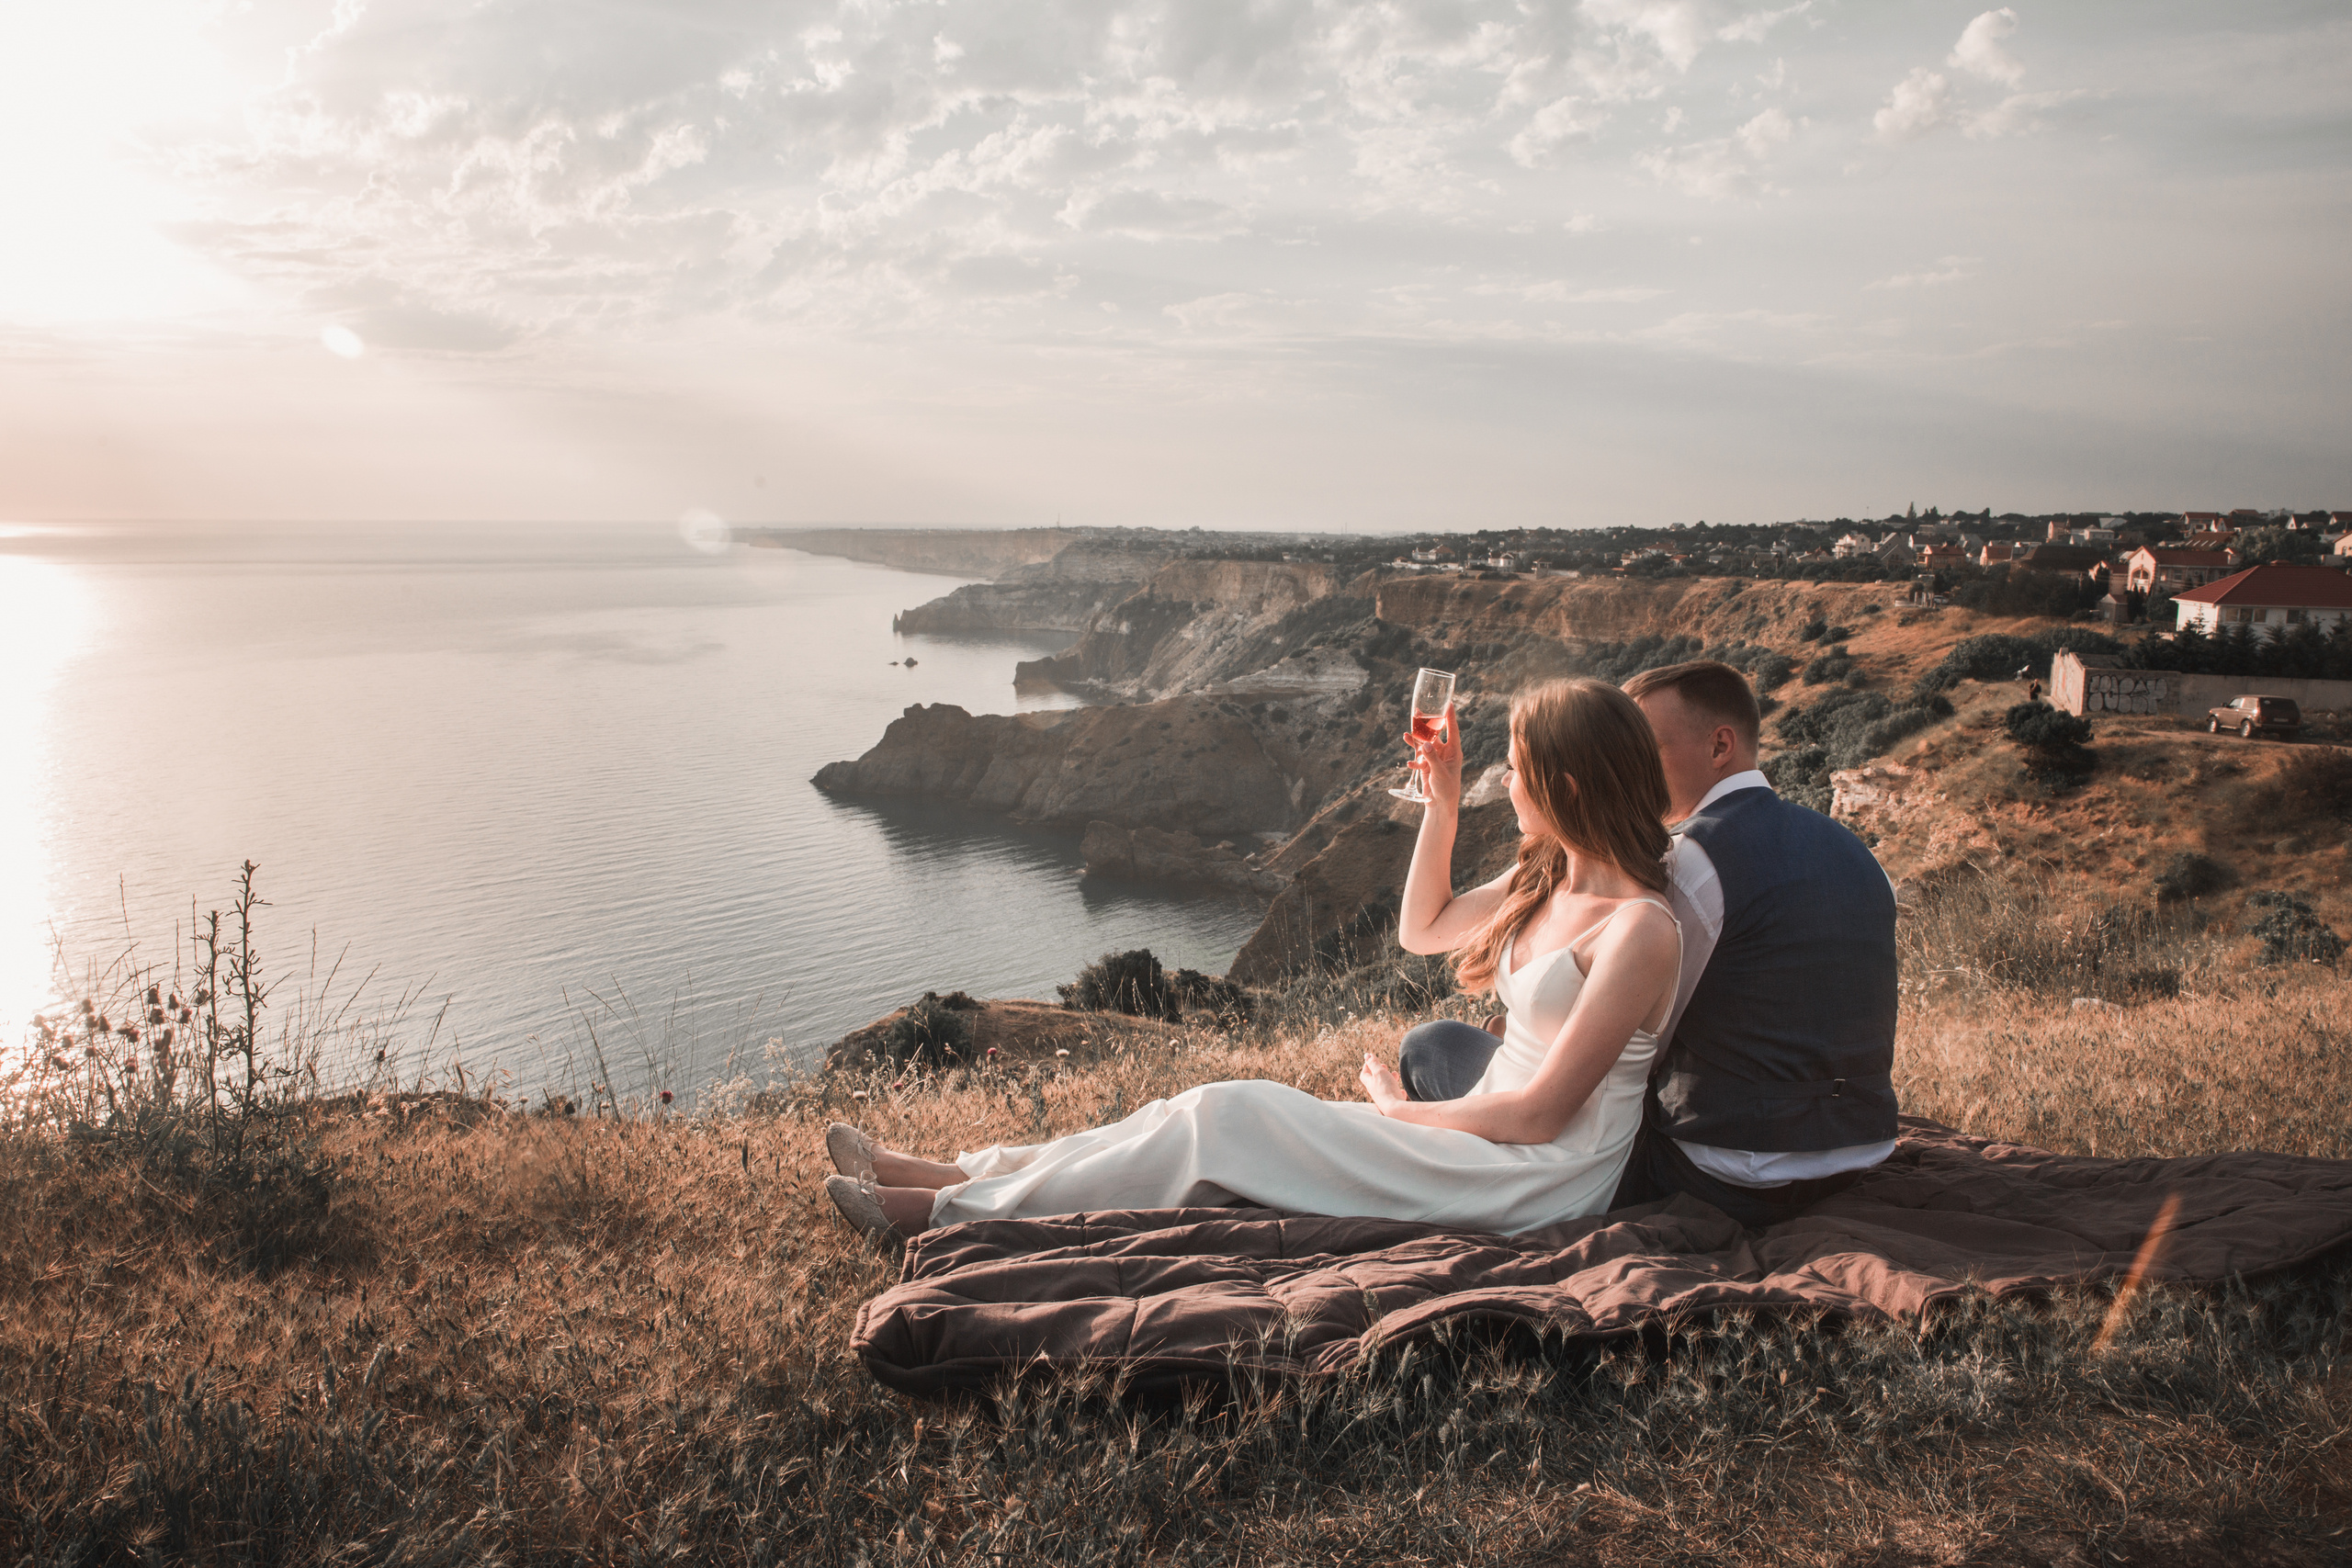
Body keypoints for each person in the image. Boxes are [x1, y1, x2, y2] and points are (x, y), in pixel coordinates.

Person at [821, 678, 1684, 1247]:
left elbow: (1539, 1119)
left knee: (1227, 1117)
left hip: (1536, 1183)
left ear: (1568, 787)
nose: (1509, 783)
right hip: (1478, 1142)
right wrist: (1445, 801)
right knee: (1195, 1106)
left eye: (1518, 770)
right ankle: (963, 1176)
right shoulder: (1545, 876)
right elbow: (1422, 929)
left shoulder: (1640, 930)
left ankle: (946, 1217)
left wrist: (1394, 1108)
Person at [1400, 660, 1899, 1227]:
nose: (1627, 766)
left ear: (1719, 747)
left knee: (1432, 1047)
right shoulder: (1856, 853)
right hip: (1861, 1147)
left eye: (1646, 749)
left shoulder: (1683, 869)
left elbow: (1638, 1050)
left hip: (1723, 1169)